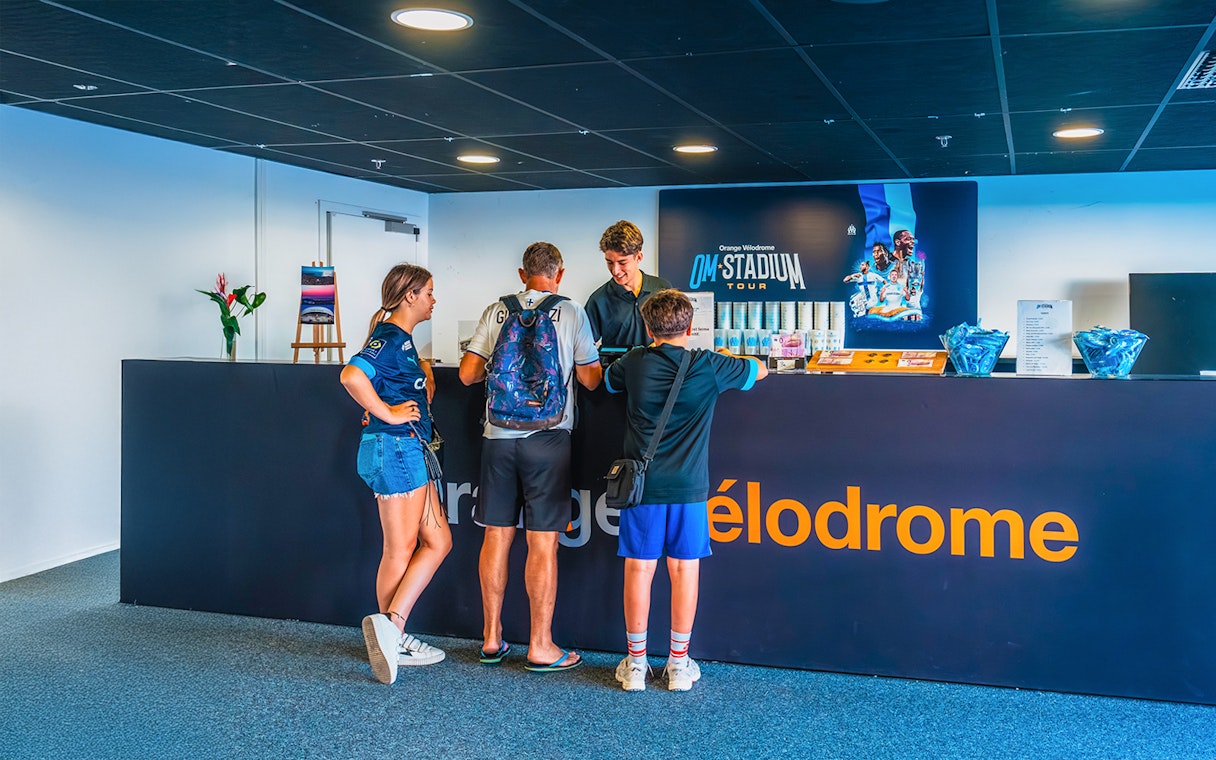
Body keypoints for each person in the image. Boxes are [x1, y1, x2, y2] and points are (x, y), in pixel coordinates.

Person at [604, 289, 768, 692]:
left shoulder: (635, 363)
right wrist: (737, 356)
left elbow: (605, 381)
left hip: (641, 487)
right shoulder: (710, 365)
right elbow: (758, 370)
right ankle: (678, 665)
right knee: (684, 570)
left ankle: (637, 664)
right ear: (691, 328)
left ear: (647, 327)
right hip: (690, 489)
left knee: (639, 570)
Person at [459, 241, 602, 672]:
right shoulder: (572, 311)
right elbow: (591, 381)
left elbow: (467, 375)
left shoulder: (495, 310)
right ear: (559, 274)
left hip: (497, 437)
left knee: (496, 537)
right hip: (549, 438)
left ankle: (491, 638)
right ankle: (540, 645)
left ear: (523, 274)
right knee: (542, 544)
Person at [340, 264, 451, 685]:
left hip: (409, 450)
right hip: (395, 449)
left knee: (439, 540)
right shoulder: (388, 337)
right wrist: (385, 412)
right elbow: (351, 375)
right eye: (428, 292)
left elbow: (396, 385)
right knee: (399, 550)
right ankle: (394, 634)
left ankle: (392, 630)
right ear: (409, 296)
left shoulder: (400, 341)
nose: (433, 300)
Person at [585, 220, 672, 352]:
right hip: (616, 371)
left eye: (622, 262)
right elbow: (583, 347)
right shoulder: (598, 300)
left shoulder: (662, 289)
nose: (615, 270)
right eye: (609, 262)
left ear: (639, 257)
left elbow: (675, 336)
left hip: (657, 371)